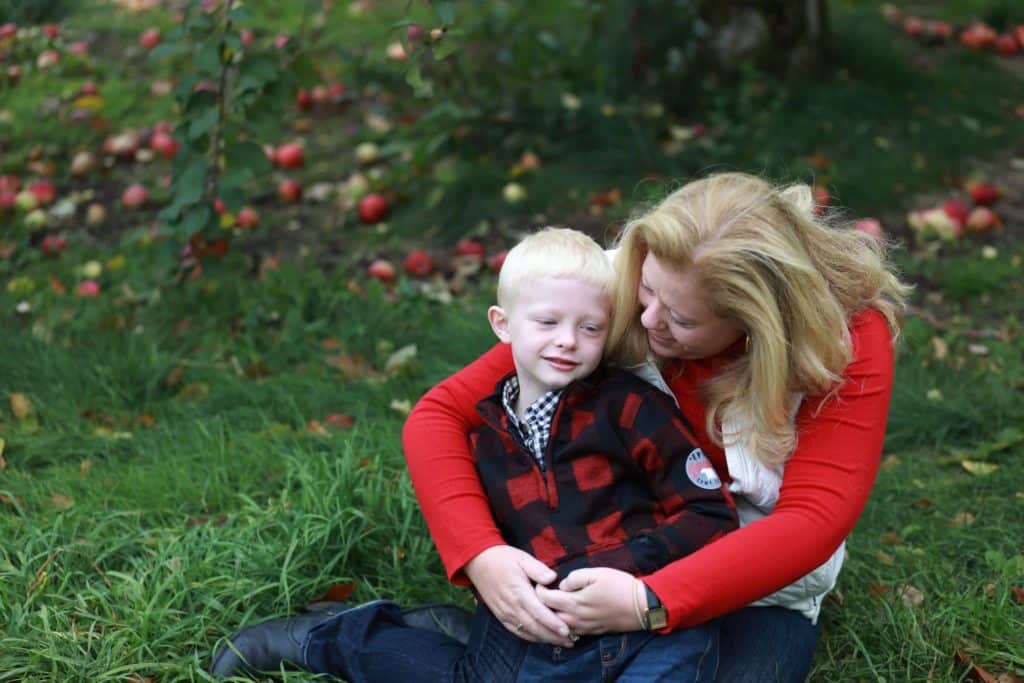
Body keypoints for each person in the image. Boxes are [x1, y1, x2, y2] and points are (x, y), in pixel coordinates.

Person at [400, 172, 911, 682]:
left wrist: (650, 601)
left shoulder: (845, 337)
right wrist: (481, 555)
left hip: (759, 579)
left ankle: (466, 644)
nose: (646, 320)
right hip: (619, 542)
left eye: (682, 321)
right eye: (646, 292)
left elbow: (812, 520)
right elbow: (440, 416)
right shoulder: (609, 289)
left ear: (756, 323)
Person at [210, 227, 738, 681]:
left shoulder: (629, 408)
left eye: (590, 327)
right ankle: (324, 636)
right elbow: (495, 548)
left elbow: (711, 514)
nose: (568, 341)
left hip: (645, 625)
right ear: (502, 325)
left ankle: (447, 629)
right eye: (547, 322)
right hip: (537, 626)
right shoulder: (484, 432)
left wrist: (627, 575)